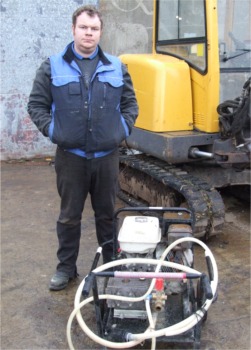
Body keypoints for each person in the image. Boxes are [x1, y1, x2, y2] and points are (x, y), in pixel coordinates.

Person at [27, 5, 138, 291]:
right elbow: (36, 105)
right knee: (69, 216)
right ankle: (66, 268)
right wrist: (54, 131)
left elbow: (130, 105)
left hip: (106, 157)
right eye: (83, 27)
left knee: (106, 214)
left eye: (94, 28)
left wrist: (121, 131)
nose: (89, 33)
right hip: (71, 158)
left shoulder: (116, 66)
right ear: (73, 29)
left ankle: (111, 265)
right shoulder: (52, 66)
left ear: (100, 32)